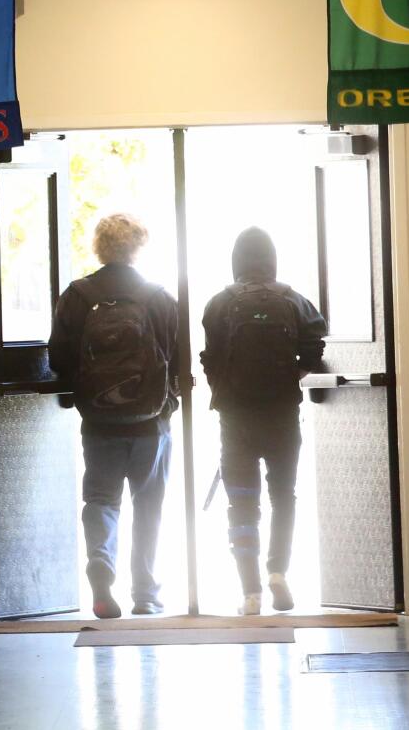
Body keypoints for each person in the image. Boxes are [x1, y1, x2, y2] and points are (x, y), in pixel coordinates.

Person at [48, 213, 185, 619]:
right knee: (148, 505)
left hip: (99, 422)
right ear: (137, 248)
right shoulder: (158, 297)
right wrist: (169, 403)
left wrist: (86, 391)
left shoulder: (77, 295)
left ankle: (101, 570)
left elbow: (57, 357)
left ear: (99, 247)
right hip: (151, 423)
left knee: (101, 500)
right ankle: (145, 594)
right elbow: (177, 360)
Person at [199, 226, 328, 616]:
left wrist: (225, 388)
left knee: (241, 504)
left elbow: (209, 358)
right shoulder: (295, 301)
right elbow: (314, 348)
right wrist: (292, 375)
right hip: (282, 416)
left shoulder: (219, 303)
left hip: (235, 419)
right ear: (272, 260)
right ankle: (278, 574)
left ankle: (250, 593)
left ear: (236, 261)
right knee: (283, 496)